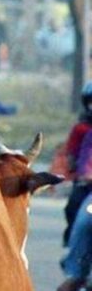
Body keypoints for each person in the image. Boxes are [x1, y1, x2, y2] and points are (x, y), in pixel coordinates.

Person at [60, 81, 92, 244]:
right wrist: (79, 172)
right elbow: (75, 153)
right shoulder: (81, 129)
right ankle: (73, 239)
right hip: (85, 182)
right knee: (72, 206)